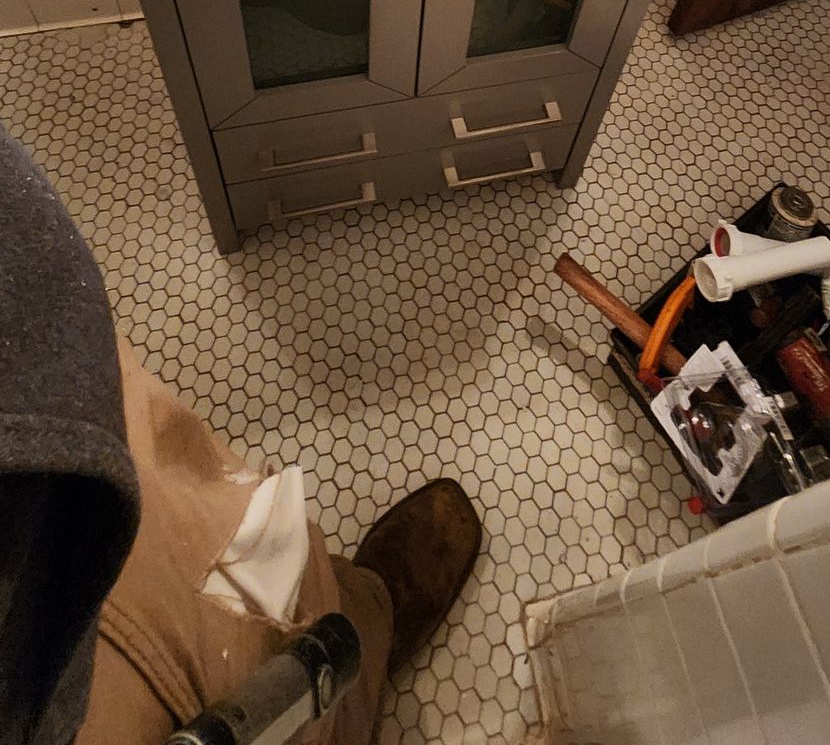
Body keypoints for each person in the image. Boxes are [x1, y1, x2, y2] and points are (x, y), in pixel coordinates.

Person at [0, 124, 482, 744]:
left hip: (47, 415)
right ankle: (368, 639)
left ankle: (353, 601)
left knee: (214, 505)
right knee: (280, 661)